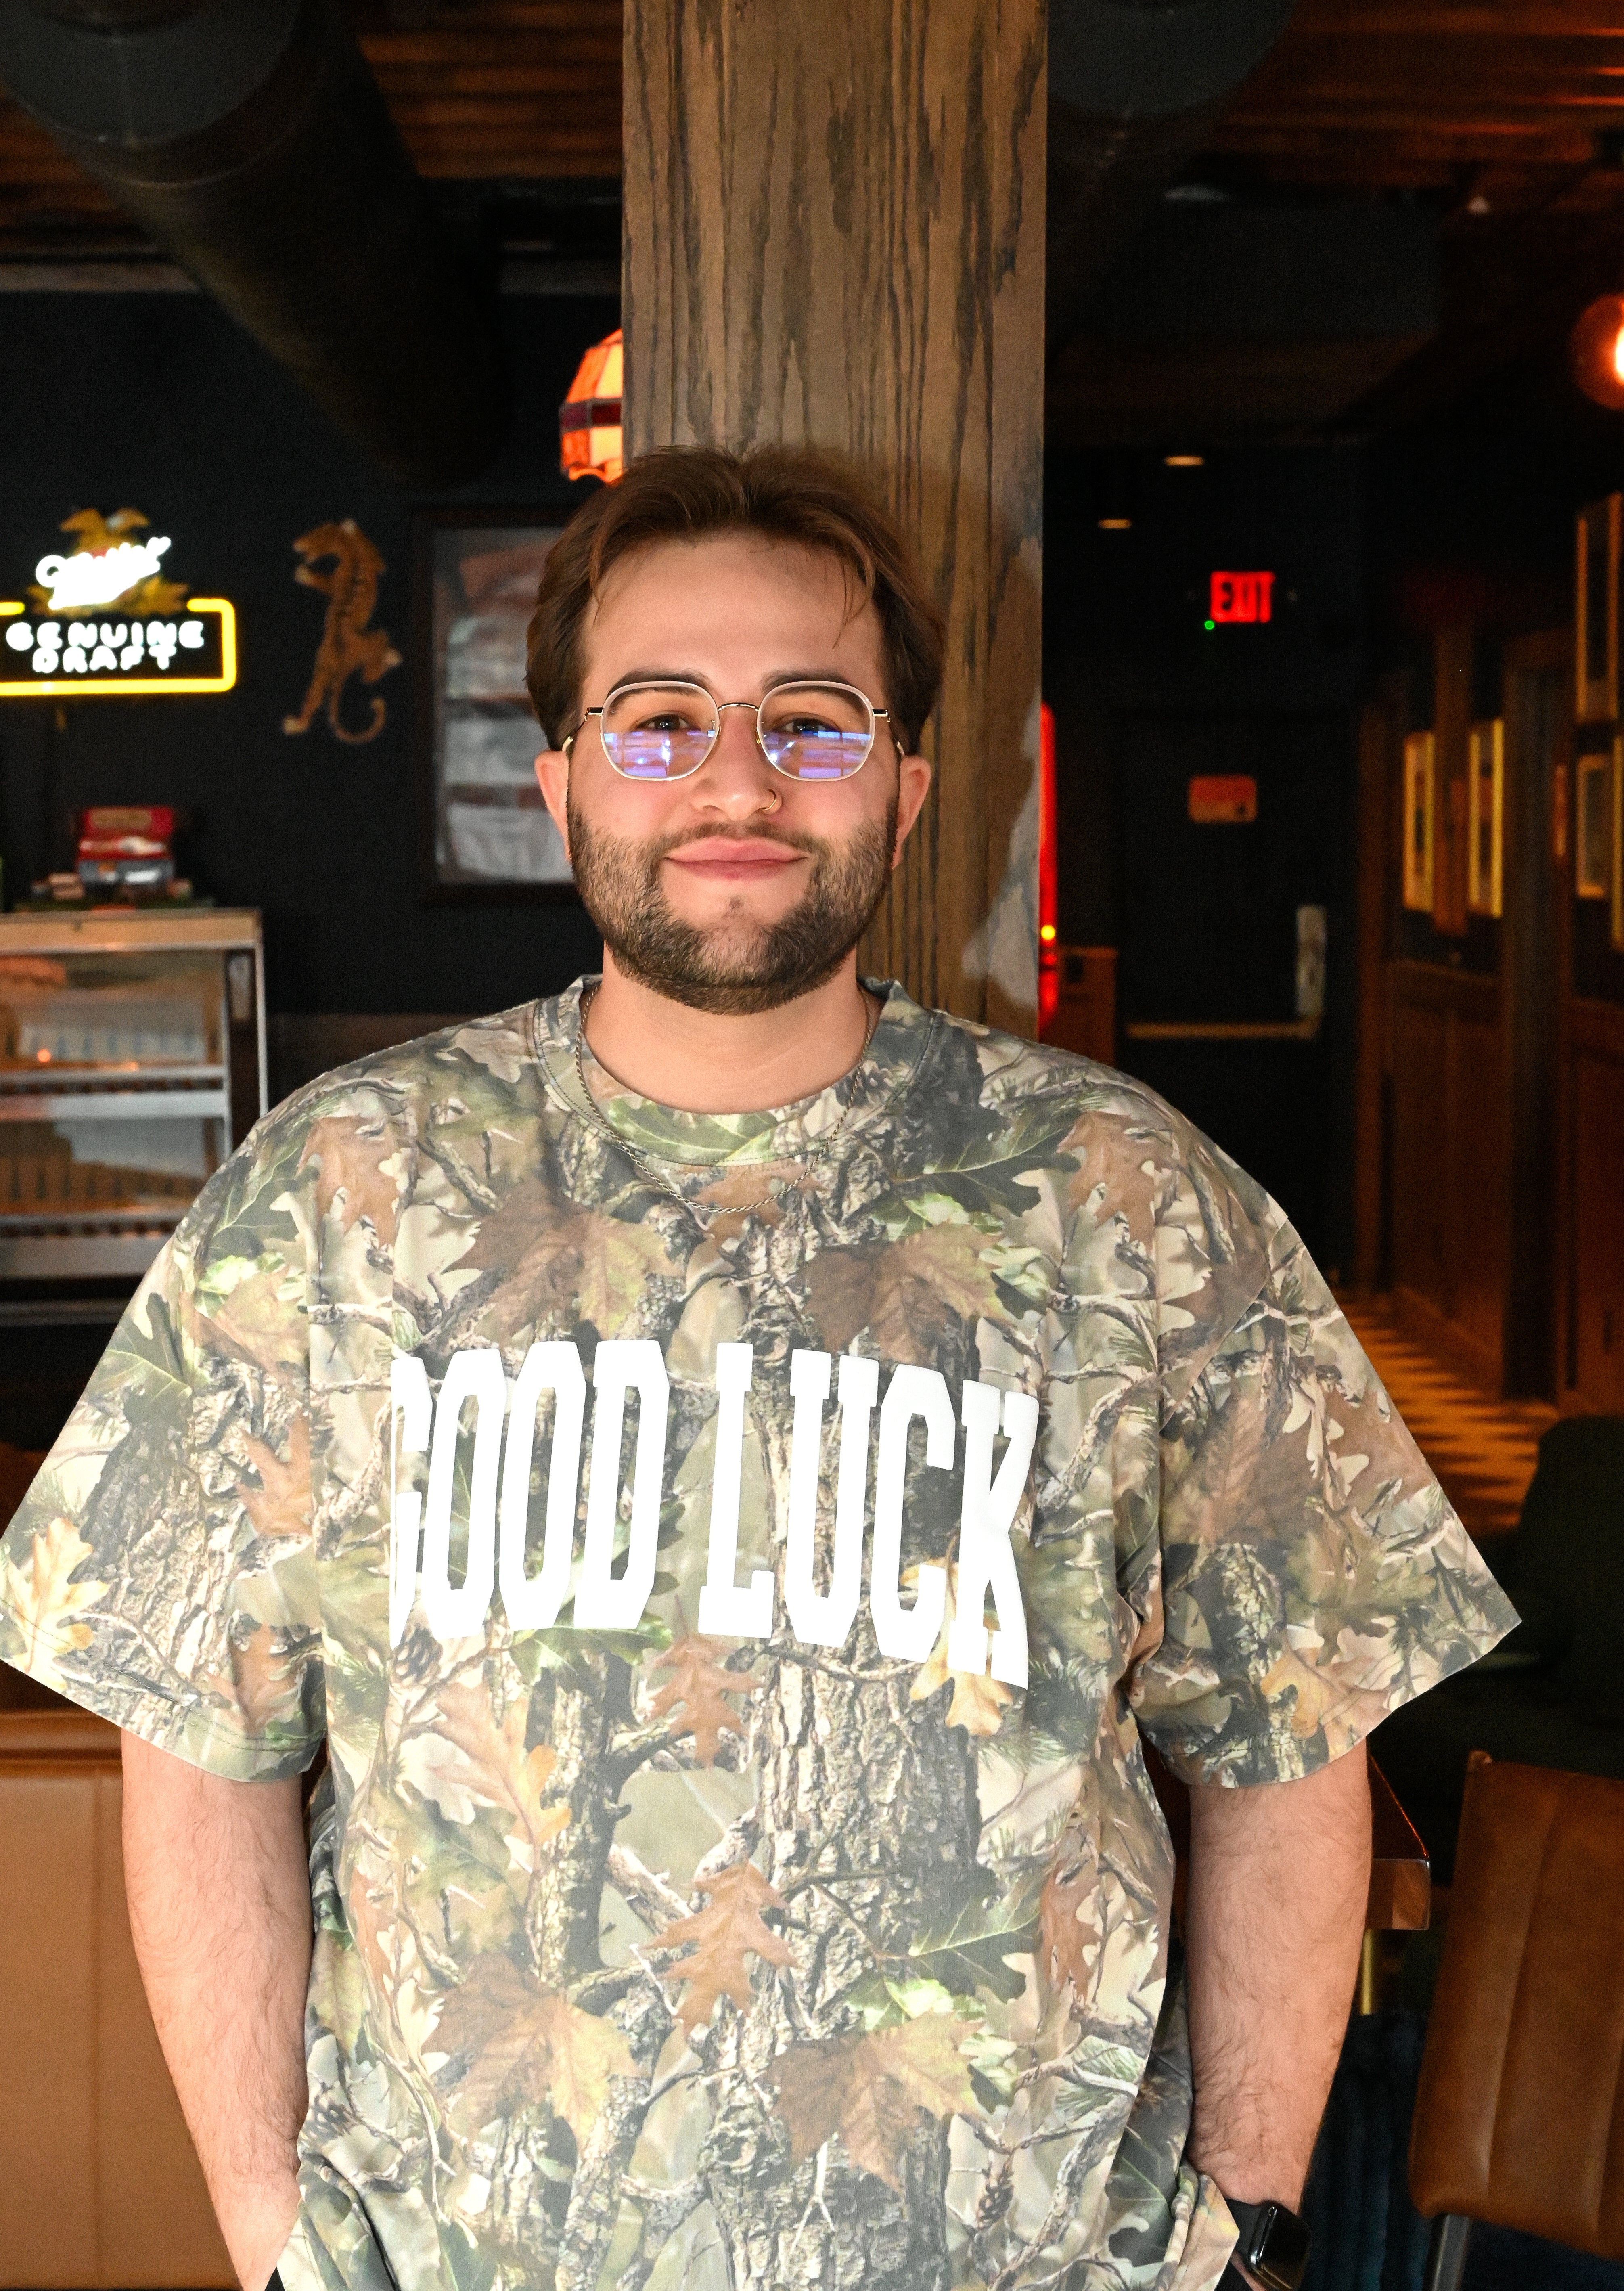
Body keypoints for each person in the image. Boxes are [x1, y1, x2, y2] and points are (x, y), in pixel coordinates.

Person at [0, 446, 1512, 2291]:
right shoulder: (337, 1198)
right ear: (559, 781)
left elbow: (1290, 1743)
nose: (736, 777)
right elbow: (196, 1740)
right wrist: (270, 2243)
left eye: (811, 718)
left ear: (909, 785)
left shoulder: (1132, 1206)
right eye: (658, 721)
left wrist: (1242, 2236)